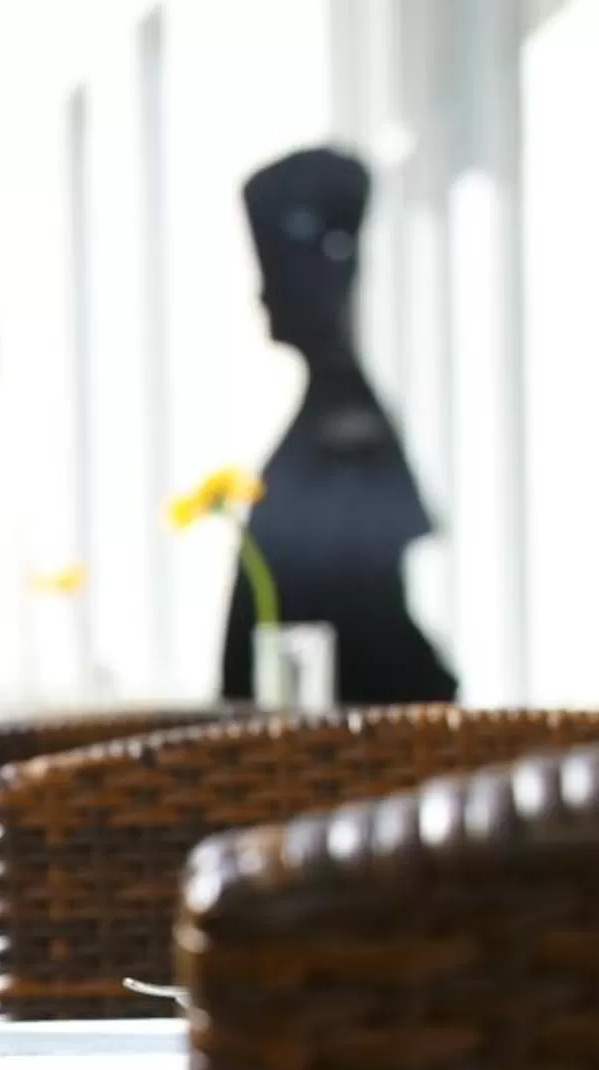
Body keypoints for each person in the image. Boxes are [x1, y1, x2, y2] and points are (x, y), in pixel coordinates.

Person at [218, 146, 456, 705]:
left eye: (275, 272)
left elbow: (374, 630)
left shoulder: (347, 433)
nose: (262, 295)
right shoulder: (331, 419)